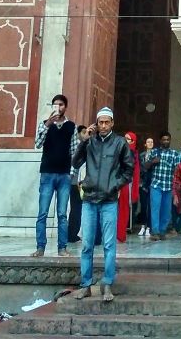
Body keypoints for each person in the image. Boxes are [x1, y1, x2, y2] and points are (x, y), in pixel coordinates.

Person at [72, 107, 134, 303]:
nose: (104, 126)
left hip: (108, 200)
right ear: (96, 124)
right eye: (101, 122)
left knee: (109, 245)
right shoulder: (89, 142)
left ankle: (107, 284)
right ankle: (86, 285)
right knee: (87, 245)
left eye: (107, 122)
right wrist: (84, 142)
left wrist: (114, 185)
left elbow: (128, 169)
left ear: (112, 123)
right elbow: (75, 162)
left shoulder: (119, 143)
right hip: (89, 199)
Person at [32, 94, 81, 258]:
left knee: (61, 214)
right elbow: (37, 144)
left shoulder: (71, 127)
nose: (58, 107)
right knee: (43, 213)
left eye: (60, 105)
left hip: (64, 176)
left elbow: (75, 152)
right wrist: (48, 124)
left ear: (65, 107)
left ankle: (62, 247)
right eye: (55, 105)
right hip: (47, 173)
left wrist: (71, 174)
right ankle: (40, 247)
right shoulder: (45, 124)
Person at [144, 131, 180, 239]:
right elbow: (145, 167)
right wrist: (152, 162)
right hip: (156, 184)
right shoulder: (154, 152)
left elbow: (177, 171)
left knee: (166, 210)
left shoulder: (174, 154)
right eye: (164, 139)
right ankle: (155, 232)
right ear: (160, 141)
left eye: (167, 139)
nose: (166, 141)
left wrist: (176, 188)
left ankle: (162, 231)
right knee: (155, 208)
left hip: (168, 186)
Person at [116, 131, 140, 243]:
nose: (125, 140)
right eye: (124, 138)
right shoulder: (120, 150)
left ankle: (120, 234)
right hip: (117, 183)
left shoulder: (132, 153)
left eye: (128, 139)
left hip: (125, 184)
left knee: (123, 210)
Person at [136, 136, 154, 236]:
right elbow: (140, 168)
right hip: (143, 184)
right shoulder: (141, 155)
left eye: (152, 142)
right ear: (145, 144)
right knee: (143, 206)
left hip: (152, 183)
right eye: (148, 142)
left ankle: (149, 227)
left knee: (151, 206)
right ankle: (143, 226)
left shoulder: (155, 155)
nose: (150, 143)